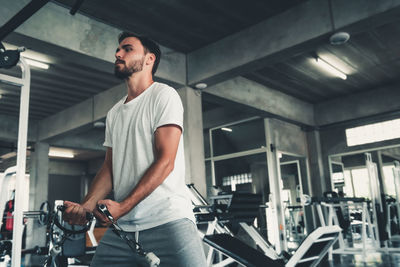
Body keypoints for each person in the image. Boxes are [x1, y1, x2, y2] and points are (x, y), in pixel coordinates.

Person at [63, 32, 206, 267]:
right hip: (123, 230)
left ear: (149, 59)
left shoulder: (164, 96)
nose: (118, 54)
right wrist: (86, 206)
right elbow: (110, 168)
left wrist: (122, 206)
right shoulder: (114, 113)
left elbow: (165, 161)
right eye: (118, 50)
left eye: (127, 49)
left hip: (168, 222)